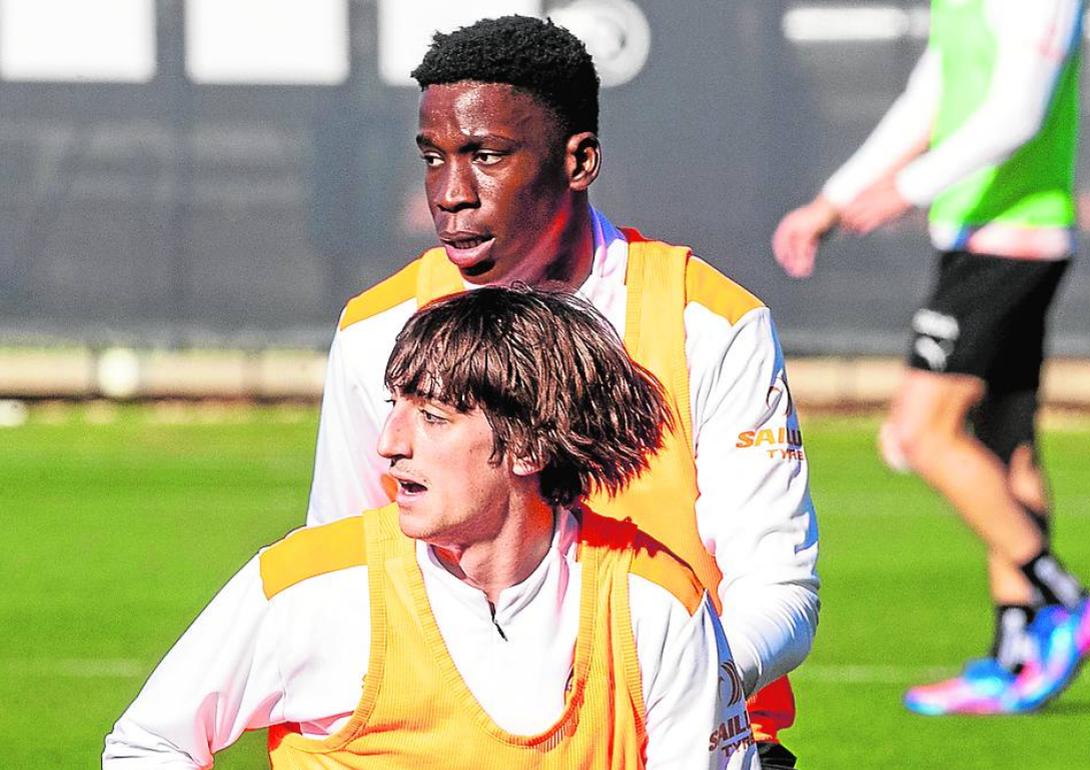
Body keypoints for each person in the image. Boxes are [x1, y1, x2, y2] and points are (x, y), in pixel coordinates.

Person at [308, 16, 817, 765]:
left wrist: (643, 695)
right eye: (433, 158)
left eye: (486, 156)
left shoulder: (709, 324)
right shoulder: (375, 333)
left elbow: (781, 597)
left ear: (579, 162)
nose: (451, 193)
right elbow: (337, 581)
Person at [104, 286, 760, 769]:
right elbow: (149, 744)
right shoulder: (309, 587)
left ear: (530, 448)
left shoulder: (657, 604)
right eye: (395, 406)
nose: (389, 443)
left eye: (434, 418)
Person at [772, 0, 1090, 715]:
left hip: (1012, 241)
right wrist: (832, 203)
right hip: (975, 235)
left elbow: (1018, 114)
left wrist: (906, 188)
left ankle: (1065, 601)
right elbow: (927, 98)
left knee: (920, 434)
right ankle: (1015, 657)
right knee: (1005, 446)